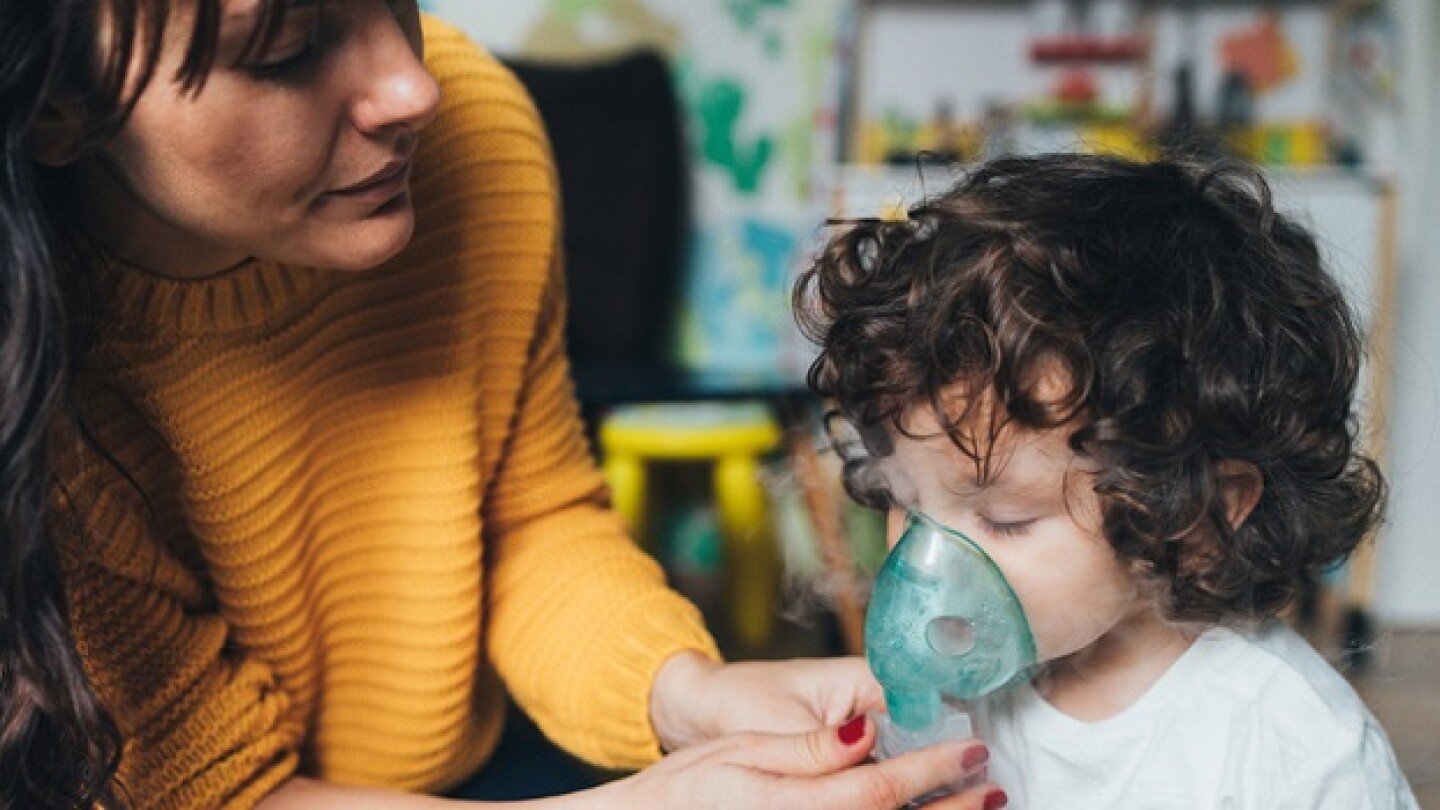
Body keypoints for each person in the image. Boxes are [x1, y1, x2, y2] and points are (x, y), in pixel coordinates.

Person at [0, 1, 1009, 808]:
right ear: (55, 108)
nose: (414, 86)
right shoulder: (28, 373)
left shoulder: (475, 134)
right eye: (287, 50)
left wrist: (690, 696)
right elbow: (214, 792)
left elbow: (528, 522)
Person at [796, 153, 1420, 809]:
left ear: (1196, 513)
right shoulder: (961, 698)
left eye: (1005, 518)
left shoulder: (1291, 749)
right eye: (905, 501)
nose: (926, 569)